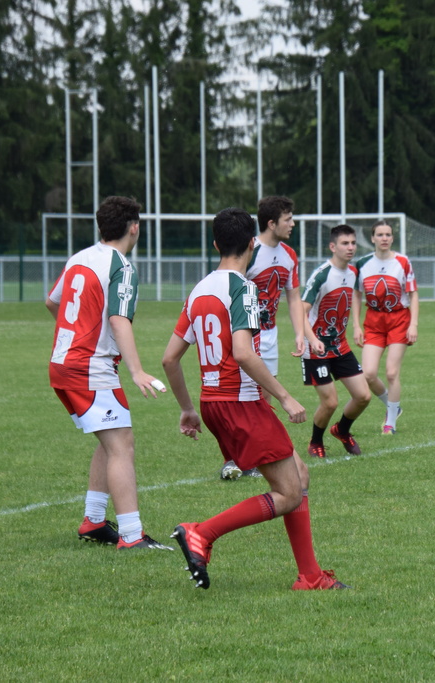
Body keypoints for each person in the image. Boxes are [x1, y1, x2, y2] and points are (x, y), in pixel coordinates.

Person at [162, 207, 347, 590]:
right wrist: (285, 397)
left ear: (216, 245)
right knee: (289, 493)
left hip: (214, 402)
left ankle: (310, 575)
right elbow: (243, 353)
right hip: (239, 402)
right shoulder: (242, 288)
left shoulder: (198, 290)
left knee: (299, 475)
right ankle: (201, 533)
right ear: (251, 244)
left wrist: (187, 409)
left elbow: (169, 359)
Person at [46, 195, 173, 550]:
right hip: (90, 367)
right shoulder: (121, 266)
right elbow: (118, 320)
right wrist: (137, 370)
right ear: (134, 227)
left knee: (109, 439)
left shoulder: (79, 257)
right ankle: (132, 536)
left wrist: (74, 335)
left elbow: (52, 302)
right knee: (121, 445)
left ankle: (94, 521)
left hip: (63, 363)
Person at [218, 195, 305, 480]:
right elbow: (229, 285)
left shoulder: (290, 255)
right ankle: (233, 460)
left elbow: (293, 297)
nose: (292, 224)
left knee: (263, 399)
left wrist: (300, 334)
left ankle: (252, 459)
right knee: (240, 398)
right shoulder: (250, 251)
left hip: (269, 335)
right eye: (288, 219)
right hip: (243, 335)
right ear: (271, 223)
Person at [300, 224, 373, 458]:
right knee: (330, 402)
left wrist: (356, 326)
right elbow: (301, 311)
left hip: (340, 346)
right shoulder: (322, 275)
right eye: (345, 243)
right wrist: (312, 339)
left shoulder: (352, 273)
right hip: (317, 350)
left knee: (363, 396)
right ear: (333, 247)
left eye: (353, 243)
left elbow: (352, 299)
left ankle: (341, 430)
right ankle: (315, 441)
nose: (350, 247)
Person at [351, 220, 419, 435]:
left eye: (388, 234)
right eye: (380, 235)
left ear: (392, 238)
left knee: (391, 372)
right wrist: (356, 325)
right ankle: (394, 407)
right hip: (374, 321)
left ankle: (390, 422)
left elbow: (413, 294)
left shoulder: (402, 262)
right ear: (372, 238)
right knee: (369, 374)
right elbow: (356, 294)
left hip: (399, 320)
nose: (384, 238)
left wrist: (413, 324)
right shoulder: (362, 264)